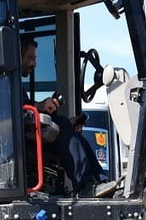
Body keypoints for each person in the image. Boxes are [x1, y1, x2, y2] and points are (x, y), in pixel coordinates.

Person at [20, 36, 102, 194]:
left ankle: (99, 181)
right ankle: (84, 185)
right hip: (18, 142)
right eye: (31, 58)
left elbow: (25, 110)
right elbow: (17, 111)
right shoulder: (6, 83)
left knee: (72, 133)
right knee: (63, 125)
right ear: (18, 56)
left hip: (27, 134)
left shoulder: (16, 84)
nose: (35, 64)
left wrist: (43, 108)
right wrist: (40, 106)